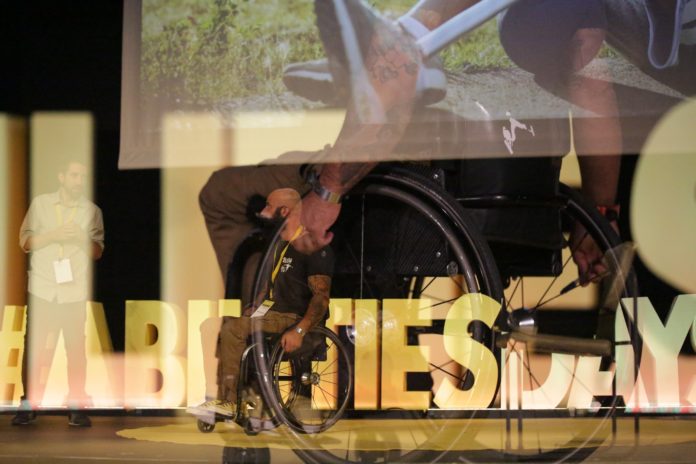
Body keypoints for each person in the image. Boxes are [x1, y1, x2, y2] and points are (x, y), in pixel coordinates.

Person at [190, 188, 334, 417]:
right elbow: (269, 289)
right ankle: (234, 394)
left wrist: (299, 330)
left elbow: (321, 298)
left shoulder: (311, 247)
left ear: (284, 211)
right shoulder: (280, 245)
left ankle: (230, 402)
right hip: (272, 316)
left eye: (269, 206)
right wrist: (256, 307)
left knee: (233, 329)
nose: (263, 212)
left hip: (293, 319)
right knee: (213, 325)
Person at [12, 160, 104, 427]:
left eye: (83, 176)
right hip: (42, 289)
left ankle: (76, 407)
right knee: (36, 350)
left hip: (73, 291)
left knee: (75, 350)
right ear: (61, 177)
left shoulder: (91, 211)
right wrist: (54, 235)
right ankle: (28, 405)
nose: (79, 181)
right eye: (74, 175)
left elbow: (97, 251)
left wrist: (79, 237)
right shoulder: (41, 204)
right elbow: (25, 242)